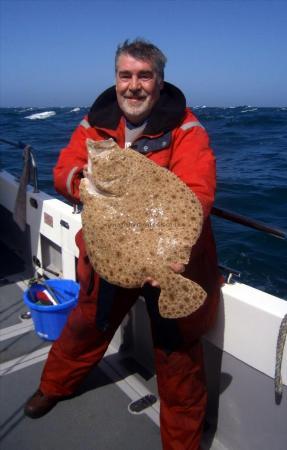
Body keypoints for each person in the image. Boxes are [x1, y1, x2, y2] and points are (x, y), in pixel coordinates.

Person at [24, 38, 221, 450]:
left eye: (144, 76)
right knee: (84, 327)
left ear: (159, 82)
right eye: (125, 75)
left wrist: (172, 251)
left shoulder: (186, 128)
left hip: (168, 262)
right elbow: (63, 170)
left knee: (177, 357)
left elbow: (198, 194)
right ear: (115, 80)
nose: (134, 86)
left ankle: (181, 444)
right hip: (108, 256)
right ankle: (54, 386)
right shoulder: (95, 123)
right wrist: (84, 183)